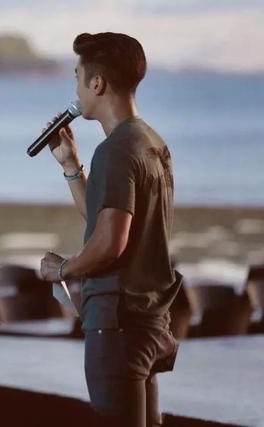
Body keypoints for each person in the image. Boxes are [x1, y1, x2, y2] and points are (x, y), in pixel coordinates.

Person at [39, 32, 182, 426]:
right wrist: (71, 166)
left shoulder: (115, 150)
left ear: (97, 83)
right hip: (149, 320)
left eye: (77, 77)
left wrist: (63, 269)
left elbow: (110, 243)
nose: (76, 88)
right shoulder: (152, 143)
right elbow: (106, 219)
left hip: (117, 323)